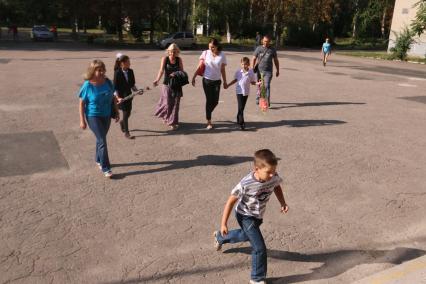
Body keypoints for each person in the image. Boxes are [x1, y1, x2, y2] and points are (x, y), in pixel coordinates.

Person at [214, 149, 289, 284]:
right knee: (259, 248)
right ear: (256, 169)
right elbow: (230, 201)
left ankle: (220, 237)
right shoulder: (246, 183)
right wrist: (223, 223)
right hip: (245, 215)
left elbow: (276, 186)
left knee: (245, 235)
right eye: (268, 172)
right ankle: (256, 278)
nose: (272, 175)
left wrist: (283, 202)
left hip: (258, 216)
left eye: (274, 171)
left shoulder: (273, 176)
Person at [78, 60, 120, 178]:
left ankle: (97, 159)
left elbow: (113, 98)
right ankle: (106, 168)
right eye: (98, 70)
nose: (102, 72)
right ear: (93, 71)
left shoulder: (108, 82)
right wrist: (82, 120)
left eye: (103, 69)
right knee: (102, 140)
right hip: (93, 116)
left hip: (106, 115)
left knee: (100, 138)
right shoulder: (88, 85)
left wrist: (116, 111)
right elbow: (81, 103)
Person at [192, 38, 228, 130]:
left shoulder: (222, 55)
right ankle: (209, 121)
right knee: (209, 100)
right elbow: (200, 66)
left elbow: (222, 69)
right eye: (209, 47)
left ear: (217, 46)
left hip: (217, 81)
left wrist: (225, 81)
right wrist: (194, 76)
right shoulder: (205, 53)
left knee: (215, 101)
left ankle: (208, 113)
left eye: (212, 47)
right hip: (207, 80)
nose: (210, 49)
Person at [153, 43, 184, 130]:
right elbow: (161, 70)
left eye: (175, 52)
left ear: (177, 52)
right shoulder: (165, 59)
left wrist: (176, 73)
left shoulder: (179, 60)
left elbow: (182, 72)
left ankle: (172, 122)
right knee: (167, 103)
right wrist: (157, 80)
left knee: (176, 104)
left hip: (177, 85)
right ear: (168, 52)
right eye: (171, 52)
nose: (173, 54)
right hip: (167, 85)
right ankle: (166, 116)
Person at [225, 57, 258, 130]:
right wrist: (228, 85)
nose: (244, 66)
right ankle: (241, 123)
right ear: (241, 64)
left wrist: (257, 83)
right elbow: (235, 80)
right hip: (239, 91)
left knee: (242, 107)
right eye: (242, 64)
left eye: (245, 64)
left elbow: (252, 82)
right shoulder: (238, 72)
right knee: (241, 107)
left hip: (246, 92)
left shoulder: (251, 72)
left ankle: (238, 116)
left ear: (248, 64)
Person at [113, 53, 141, 139]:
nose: (129, 63)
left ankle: (122, 123)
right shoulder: (117, 73)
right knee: (125, 114)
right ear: (122, 63)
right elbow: (115, 88)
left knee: (128, 113)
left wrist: (137, 91)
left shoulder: (131, 71)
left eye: (129, 62)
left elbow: (132, 84)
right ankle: (127, 133)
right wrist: (118, 98)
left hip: (129, 96)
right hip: (121, 97)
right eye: (128, 62)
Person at [252, 35, 279, 107]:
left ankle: (266, 101)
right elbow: (254, 58)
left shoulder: (272, 49)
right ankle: (258, 98)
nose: (266, 43)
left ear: (270, 42)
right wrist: (252, 68)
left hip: (268, 71)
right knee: (259, 86)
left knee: (267, 85)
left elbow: (276, 60)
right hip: (258, 70)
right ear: (262, 41)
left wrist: (277, 70)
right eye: (265, 41)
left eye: (267, 41)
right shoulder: (258, 48)